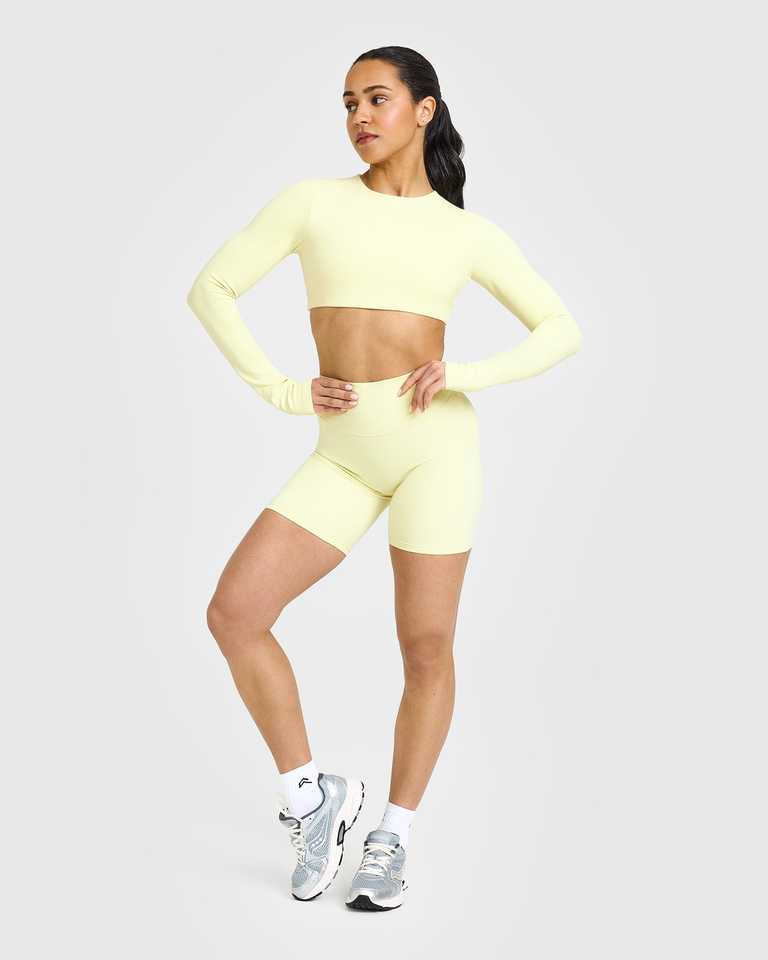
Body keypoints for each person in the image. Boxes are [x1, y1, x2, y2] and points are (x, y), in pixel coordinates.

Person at [185, 45, 582, 912]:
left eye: (377, 99)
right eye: (348, 103)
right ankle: (311, 799)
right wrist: (282, 389)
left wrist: (464, 374)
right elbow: (211, 288)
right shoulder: (312, 203)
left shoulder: (465, 232)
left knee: (426, 647)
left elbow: (560, 328)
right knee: (236, 613)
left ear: (423, 109)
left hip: (433, 449)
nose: (359, 117)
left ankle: (391, 838)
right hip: (343, 452)